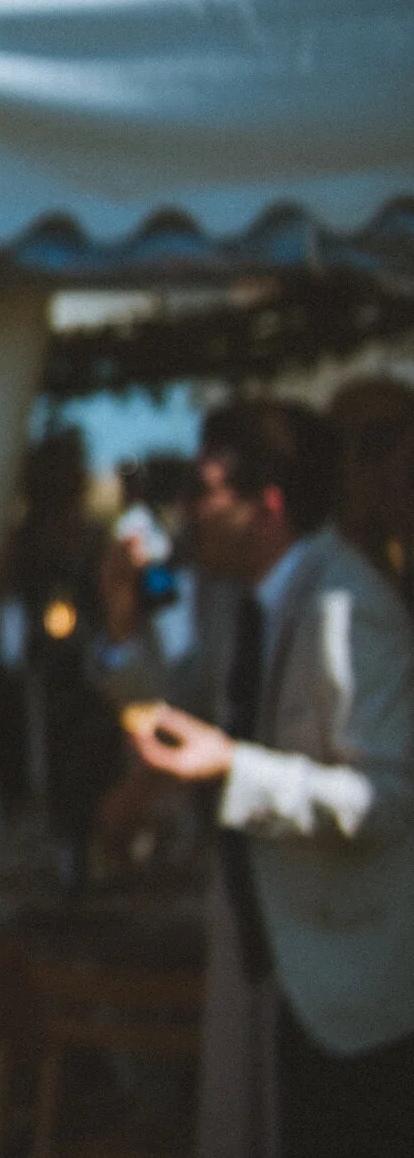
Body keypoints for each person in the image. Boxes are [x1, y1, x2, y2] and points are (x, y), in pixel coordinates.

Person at [113, 402, 414, 1158]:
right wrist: (123, 622)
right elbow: (177, 707)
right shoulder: (238, 602)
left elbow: (388, 798)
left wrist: (234, 767)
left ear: (267, 504)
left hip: (347, 993)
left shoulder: (347, 606)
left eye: (204, 488)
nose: (187, 509)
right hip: (268, 972)